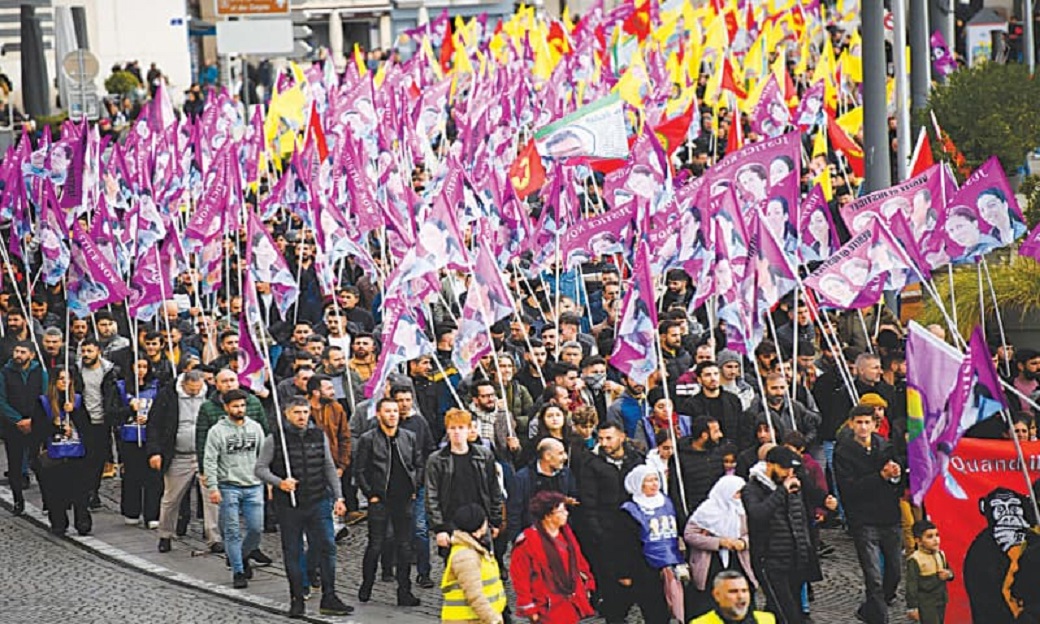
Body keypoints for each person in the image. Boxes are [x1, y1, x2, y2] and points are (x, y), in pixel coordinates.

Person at [254, 396, 354, 618]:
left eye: (305, 412)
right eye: (297, 412)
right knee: (293, 550)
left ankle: (330, 595)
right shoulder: (275, 439)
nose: (302, 417)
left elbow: (328, 466)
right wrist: (279, 482)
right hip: (290, 505)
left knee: (327, 545)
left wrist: (339, 497)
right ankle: (297, 597)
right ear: (287, 414)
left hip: (318, 500)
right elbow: (260, 468)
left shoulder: (318, 435)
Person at [834, 405, 904, 624]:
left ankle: (870, 608)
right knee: (873, 576)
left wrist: (895, 476)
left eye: (867, 422)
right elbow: (849, 488)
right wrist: (880, 477)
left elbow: (898, 480)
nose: (863, 427)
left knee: (894, 571)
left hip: (889, 516)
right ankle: (880, 619)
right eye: (859, 422)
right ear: (851, 424)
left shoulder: (885, 446)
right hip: (863, 519)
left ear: (875, 424)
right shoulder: (843, 452)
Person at [354, 397, 423, 606]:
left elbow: (418, 464)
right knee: (376, 544)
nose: (392, 414)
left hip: (403, 499)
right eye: (388, 411)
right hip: (380, 499)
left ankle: (404, 591)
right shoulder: (368, 439)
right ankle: (367, 584)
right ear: (379, 414)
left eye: (395, 411)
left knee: (404, 547)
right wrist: (370, 495)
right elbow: (360, 470)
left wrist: (414, 488)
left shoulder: (409, 437)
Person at [742, 445, 821, 624]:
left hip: (794, 559)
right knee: (788, 614)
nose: (789, 473)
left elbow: (799, 520)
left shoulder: (792, 485)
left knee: (781, 611)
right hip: (770, 561)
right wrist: (781, 492)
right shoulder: (752, 488)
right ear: (770, 465)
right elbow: (758, 514)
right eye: (784, 468)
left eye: (791, 469)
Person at [148, 370, 222, 554]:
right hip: (178, 454)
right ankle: (165, 534)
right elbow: (154, 424)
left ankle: (214, 537)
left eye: (198, 390)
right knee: (171, 498)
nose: (195, 393)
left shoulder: (210, 394)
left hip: (205, 455)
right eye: (191, 390)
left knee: (211, 497)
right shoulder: (168, 394)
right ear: (183, 385)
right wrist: (155, 451)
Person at [579, 421, 646, 623]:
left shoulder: (635, 459)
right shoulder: (591, 463)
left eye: (609, 438)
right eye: (601, 438)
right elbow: (588, 501)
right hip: (607, 531)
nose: (604, 443)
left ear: (622, 437)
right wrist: (597, 532)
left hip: (634, 528)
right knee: (612, 583)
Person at [203, 389, 266, 588]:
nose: (240, 409)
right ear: (226, 407)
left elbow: (263, 456)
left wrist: (268, 480)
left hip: (254, 484)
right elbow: (210, 460)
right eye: (235, 406)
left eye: (242, 405)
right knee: (231, 531)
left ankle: (242, 554)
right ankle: (238, 570)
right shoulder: (217, 431)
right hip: (228, 485)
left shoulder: (255, 427)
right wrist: (213, 487)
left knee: (256, 528)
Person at [426, 408, 504, 557]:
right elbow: (432, 495)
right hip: (452, 523)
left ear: (469, 430)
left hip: (480, 521)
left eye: (461, 428)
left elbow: (494, 489)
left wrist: (495, 520)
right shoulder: (437, 460)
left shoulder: (484, 455)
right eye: (452, 428)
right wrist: (439, 528)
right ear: (447, 431)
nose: (457, 432)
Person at [510, 491, 596, 624]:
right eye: (561, 511)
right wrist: (529, 607)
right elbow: (521, 577)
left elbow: (579, 560)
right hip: (548, 604)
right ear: (548, 516)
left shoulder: (566, 533)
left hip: (570, 601)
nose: (566, 513)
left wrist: (587, 583)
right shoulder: (527, 542)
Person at [684, 475, 757, 620]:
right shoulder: (706, 511)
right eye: (737, 493)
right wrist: (718, 542)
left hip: (738, 560)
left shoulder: (743, 510)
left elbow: (755, 533)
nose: (739, 496)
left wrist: (743, 542)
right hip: (712, 563)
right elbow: (690, 535)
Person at [619, 464, 685, 623]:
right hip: (646, 567)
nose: (654, 484)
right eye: (648, 481)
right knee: (655, 612)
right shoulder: (629, 509)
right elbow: (626, 545)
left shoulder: (667, 502)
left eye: (656, 479)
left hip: (672, 562)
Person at [32, 367, 92, 536]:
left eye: (67, 379)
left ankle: (82, 522)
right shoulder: (43, 402)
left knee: (80, 492)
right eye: (61, 379)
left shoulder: (77, 401)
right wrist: (55, 426)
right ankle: (59, 522)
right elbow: (38, 430)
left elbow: (87, 428)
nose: (65, 383)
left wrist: (75, 413)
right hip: (55, 455)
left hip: (76, 454)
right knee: (55, 493)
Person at [112, 358, 162, 527]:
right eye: (137, 366)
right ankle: (132, 511)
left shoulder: (156, 386)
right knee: (132, 476)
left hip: (150, 438)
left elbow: (162, 410)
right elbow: (112, 412)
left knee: (153, 477)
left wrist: (150, 418)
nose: (141, 370)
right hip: (129, 438)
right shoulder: (120, 387)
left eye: (144, 366)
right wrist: (129, 410)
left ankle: (152, 513)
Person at [0, 341, 48, 516]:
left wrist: (32, 420)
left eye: (22, 352)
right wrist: (17, 420)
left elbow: (44, 397)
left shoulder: (39, 372)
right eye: (16, 351)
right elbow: (2, 400)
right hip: (13, 427)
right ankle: (18, 500)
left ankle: (47, 501)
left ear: (31, 355)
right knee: (15, 465)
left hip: (35, 425)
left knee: (40, 463)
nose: (18, 355)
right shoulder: (5, 373)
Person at [440, 503, 507, 624]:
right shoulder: (466, 557)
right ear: (478, 528)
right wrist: (493, 619)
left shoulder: (475, 549)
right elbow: (475, 595)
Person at [507, 437, 577, 543]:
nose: (565, 457)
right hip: (532, 539)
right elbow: (514, 512)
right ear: (547, 456)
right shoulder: (522, 478)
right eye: (560, 453)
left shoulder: (566, 474)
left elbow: (572, 504)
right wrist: (519, 539)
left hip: (561, 537)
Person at [905, 519, 953, 624]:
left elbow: (949, 571)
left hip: (941, 600)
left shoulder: (941, 554)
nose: (936, 540)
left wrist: (949, 574)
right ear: (918, 540)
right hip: (926, 603)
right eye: (930, 537)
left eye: (937, 535)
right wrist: (912, 607)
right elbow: (911, 585)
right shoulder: (915, 559)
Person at [690, 570, 776, 624]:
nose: (741, 596)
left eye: (744, 591)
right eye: (733, 591)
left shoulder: (766, 619)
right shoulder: (700, 623)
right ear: (717, 595)